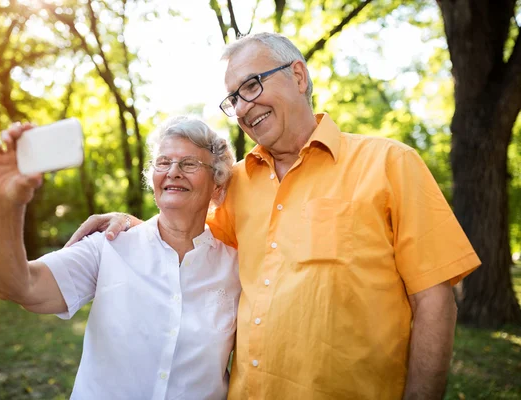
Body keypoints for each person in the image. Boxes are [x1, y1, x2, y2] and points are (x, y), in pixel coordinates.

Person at [68, 33, 481, 399]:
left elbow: (434, 300)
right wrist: (133, 224)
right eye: (233, 99)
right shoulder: (237, 184)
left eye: (251, 85)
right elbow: (191, 244)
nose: (244, 107)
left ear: (298, 77)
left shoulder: (390, 163)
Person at [0, 116, 240, 399]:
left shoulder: (237, 269)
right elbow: (20, 286)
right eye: (163, 162)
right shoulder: (109, 246)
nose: (173, 171)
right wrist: (7, 204)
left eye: (189, 163)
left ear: (217, 185)